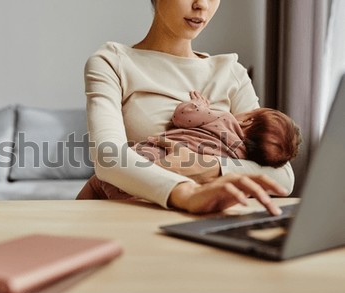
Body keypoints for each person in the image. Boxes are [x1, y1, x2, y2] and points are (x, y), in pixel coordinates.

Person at [79, 0, 294, 215]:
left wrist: (209, 168)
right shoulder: (113, 62)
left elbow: (283, 177)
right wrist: (185, 194)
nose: (201, 5)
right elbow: (108, 157)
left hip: (208, 219)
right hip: (134, 217)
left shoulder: (231, 73)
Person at [77, 90, 301, 201]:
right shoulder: (239, 160)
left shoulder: (224, 118)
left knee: (98, 182)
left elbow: (183, 116)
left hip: (145, 160)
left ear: (248, 119)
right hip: (168, 189)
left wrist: (200, 104)